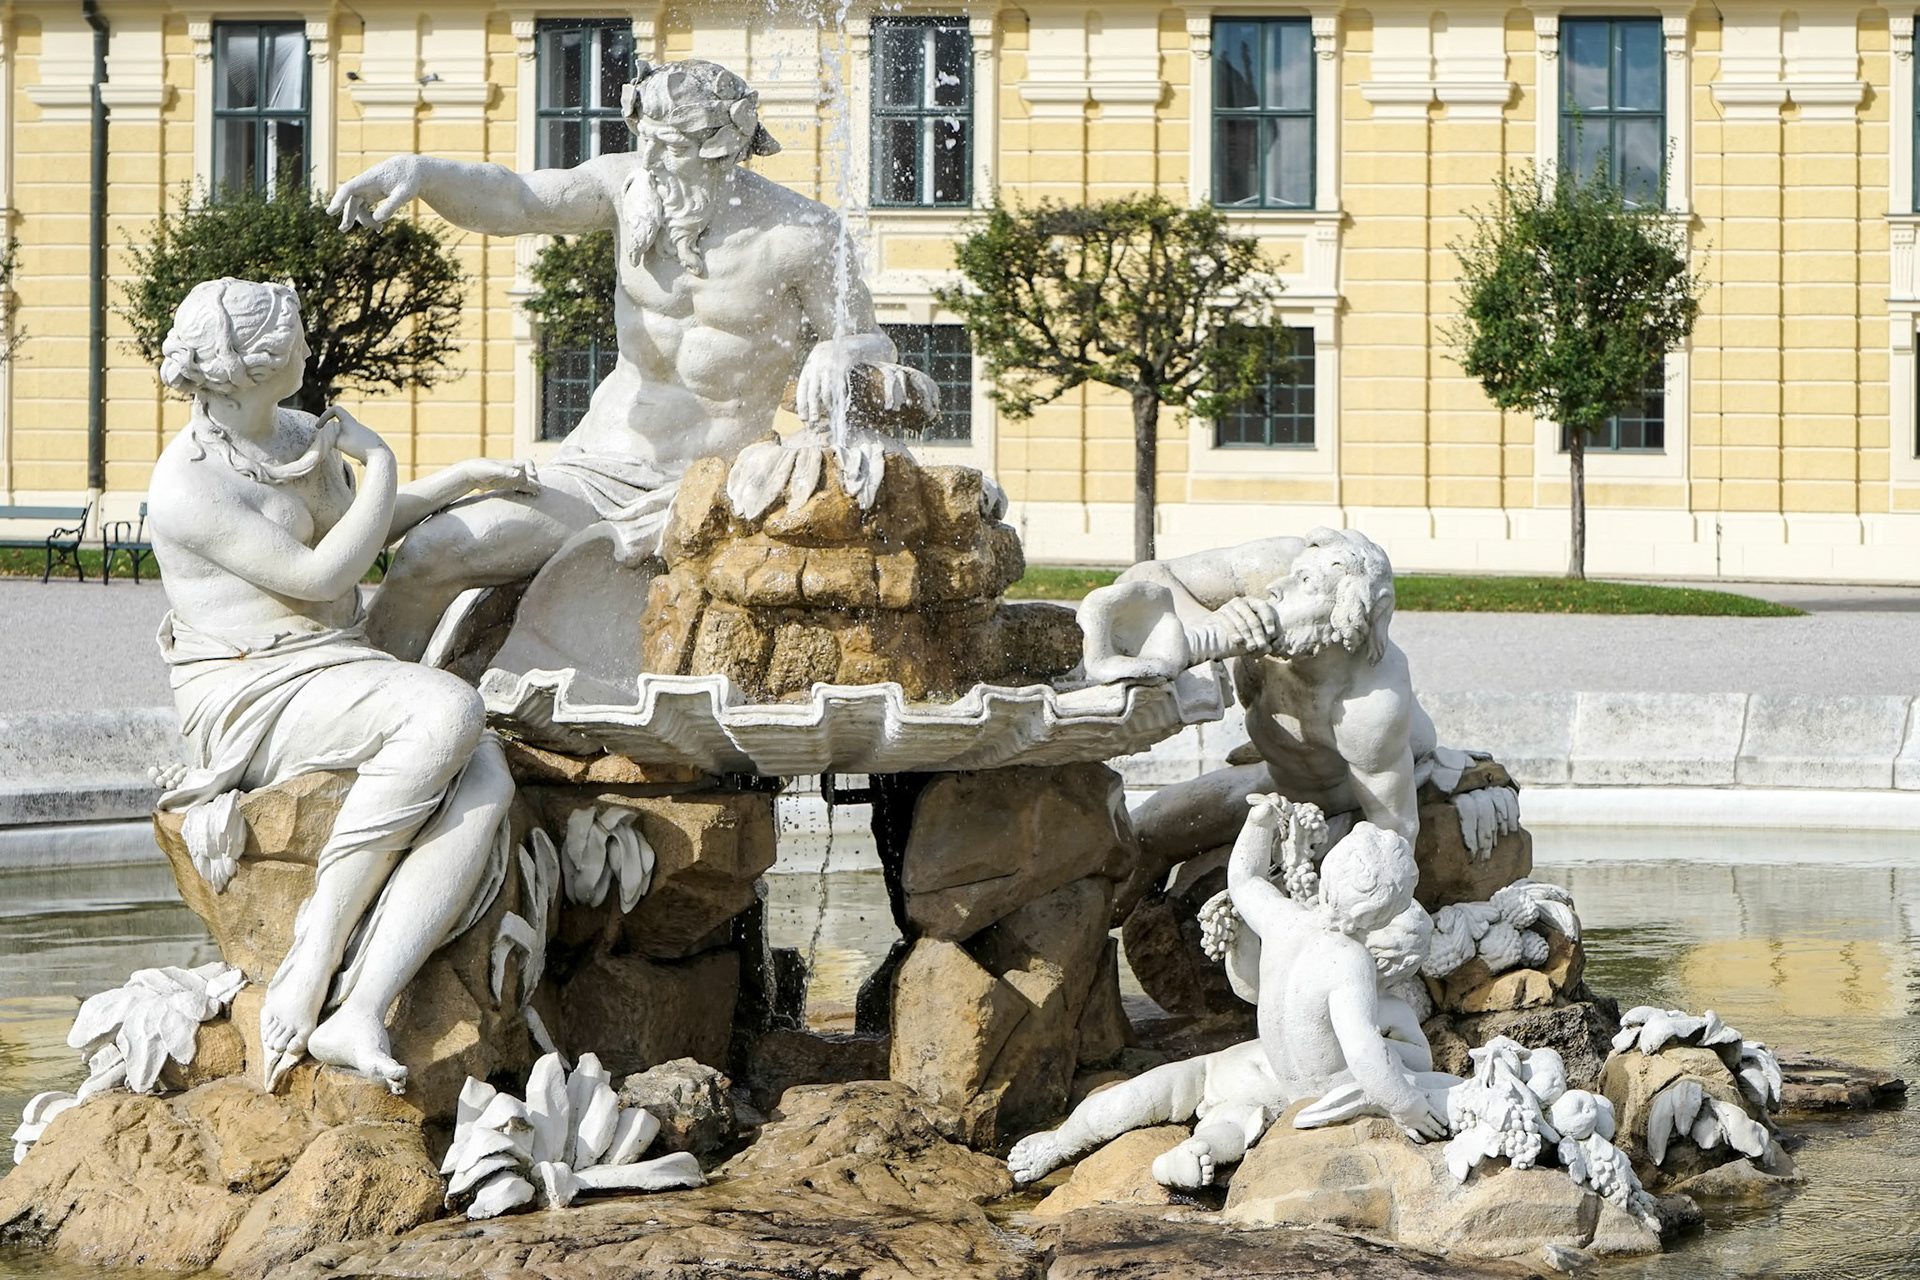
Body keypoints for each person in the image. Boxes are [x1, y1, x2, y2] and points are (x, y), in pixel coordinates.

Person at [326, 59, 934, 673]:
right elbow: (519, 200)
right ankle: (357, 710)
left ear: (723, 146)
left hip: (706, 481)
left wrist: (838, 349)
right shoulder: (629, 189)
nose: (650, 160)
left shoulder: (802, 234)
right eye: (642, 139)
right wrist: (424, 173)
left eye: (669, 147)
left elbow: (870, 344)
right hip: (595, 467)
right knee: (432, 552)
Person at [146, 277, 531, 1093]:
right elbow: (325, 572)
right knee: (450, 709)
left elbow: (362, 522)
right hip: (252, 690)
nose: (305, 345)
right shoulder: (186, 483)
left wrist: (461, 480)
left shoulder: (291, 431)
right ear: (251, 365)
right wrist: (383, 455)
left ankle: (362, 1005)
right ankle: (314, 953)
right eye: (291, 338)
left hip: (330, 663)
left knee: (487, 767)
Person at [1007, 797, 1451, 1190]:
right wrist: (1406, 1105)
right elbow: (1366, 1053)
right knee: (1240, 1120)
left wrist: (1258, 825)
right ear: (1384, 914)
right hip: (1296, 1092)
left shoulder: (1286, 919)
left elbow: (1243, 879)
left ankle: (1063, 1141)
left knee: (1151, 1095)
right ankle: (1198, 1149)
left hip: (1246, 1073)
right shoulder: (1351, 961)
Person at [1080, 528, 1438, 892]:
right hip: (1273, 775)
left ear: (1350, 617)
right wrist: (1208, 622)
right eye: (1295, 572)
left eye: (1306, 582)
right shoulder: (1275, 565)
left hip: (1325, 796)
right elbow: (1143, 579)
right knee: (1138, 835)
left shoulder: (1368, 705)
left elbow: (1394, 835)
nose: (1277, 588)